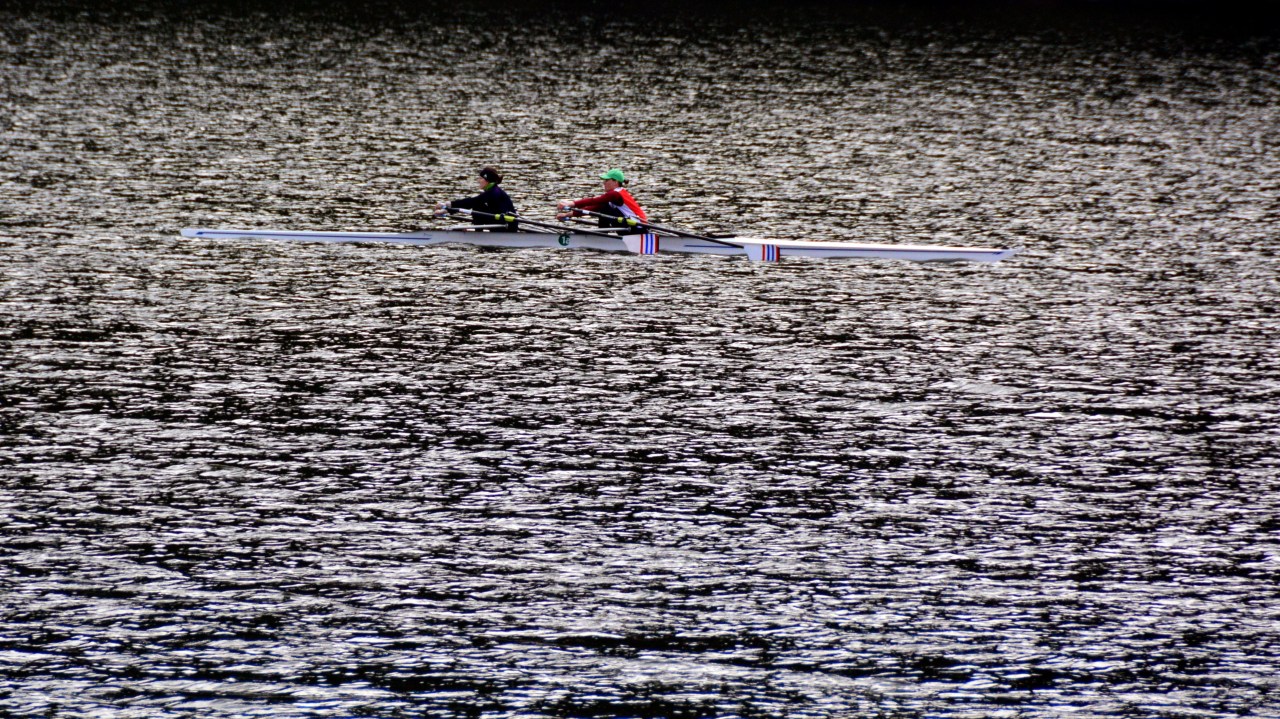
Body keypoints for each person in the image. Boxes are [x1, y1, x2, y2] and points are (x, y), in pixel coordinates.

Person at [556, 169, 648, 233]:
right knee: (603, 207)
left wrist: (571, 203)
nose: (604, 182)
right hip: (635, 226)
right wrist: (568, 215)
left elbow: (595, 201)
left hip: (637, 227)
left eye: (607, 180)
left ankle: (603, 236)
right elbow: (594, 208)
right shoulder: (617, 193)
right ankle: (603, 235)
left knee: (604, 208)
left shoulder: (615, 194)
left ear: (615, 182)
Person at [436, 167, 518, 231]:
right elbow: (472, 202)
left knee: (477, 206)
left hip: (507, 226)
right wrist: (448, 209)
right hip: (503, 223)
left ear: (487, 180)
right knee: (478, 206)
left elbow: (472, 202)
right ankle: (478, 232)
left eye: (481, 178)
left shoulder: (494, 192)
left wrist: (448, 206)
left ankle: (477, 235)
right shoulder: (493, 190)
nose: (478, 180)